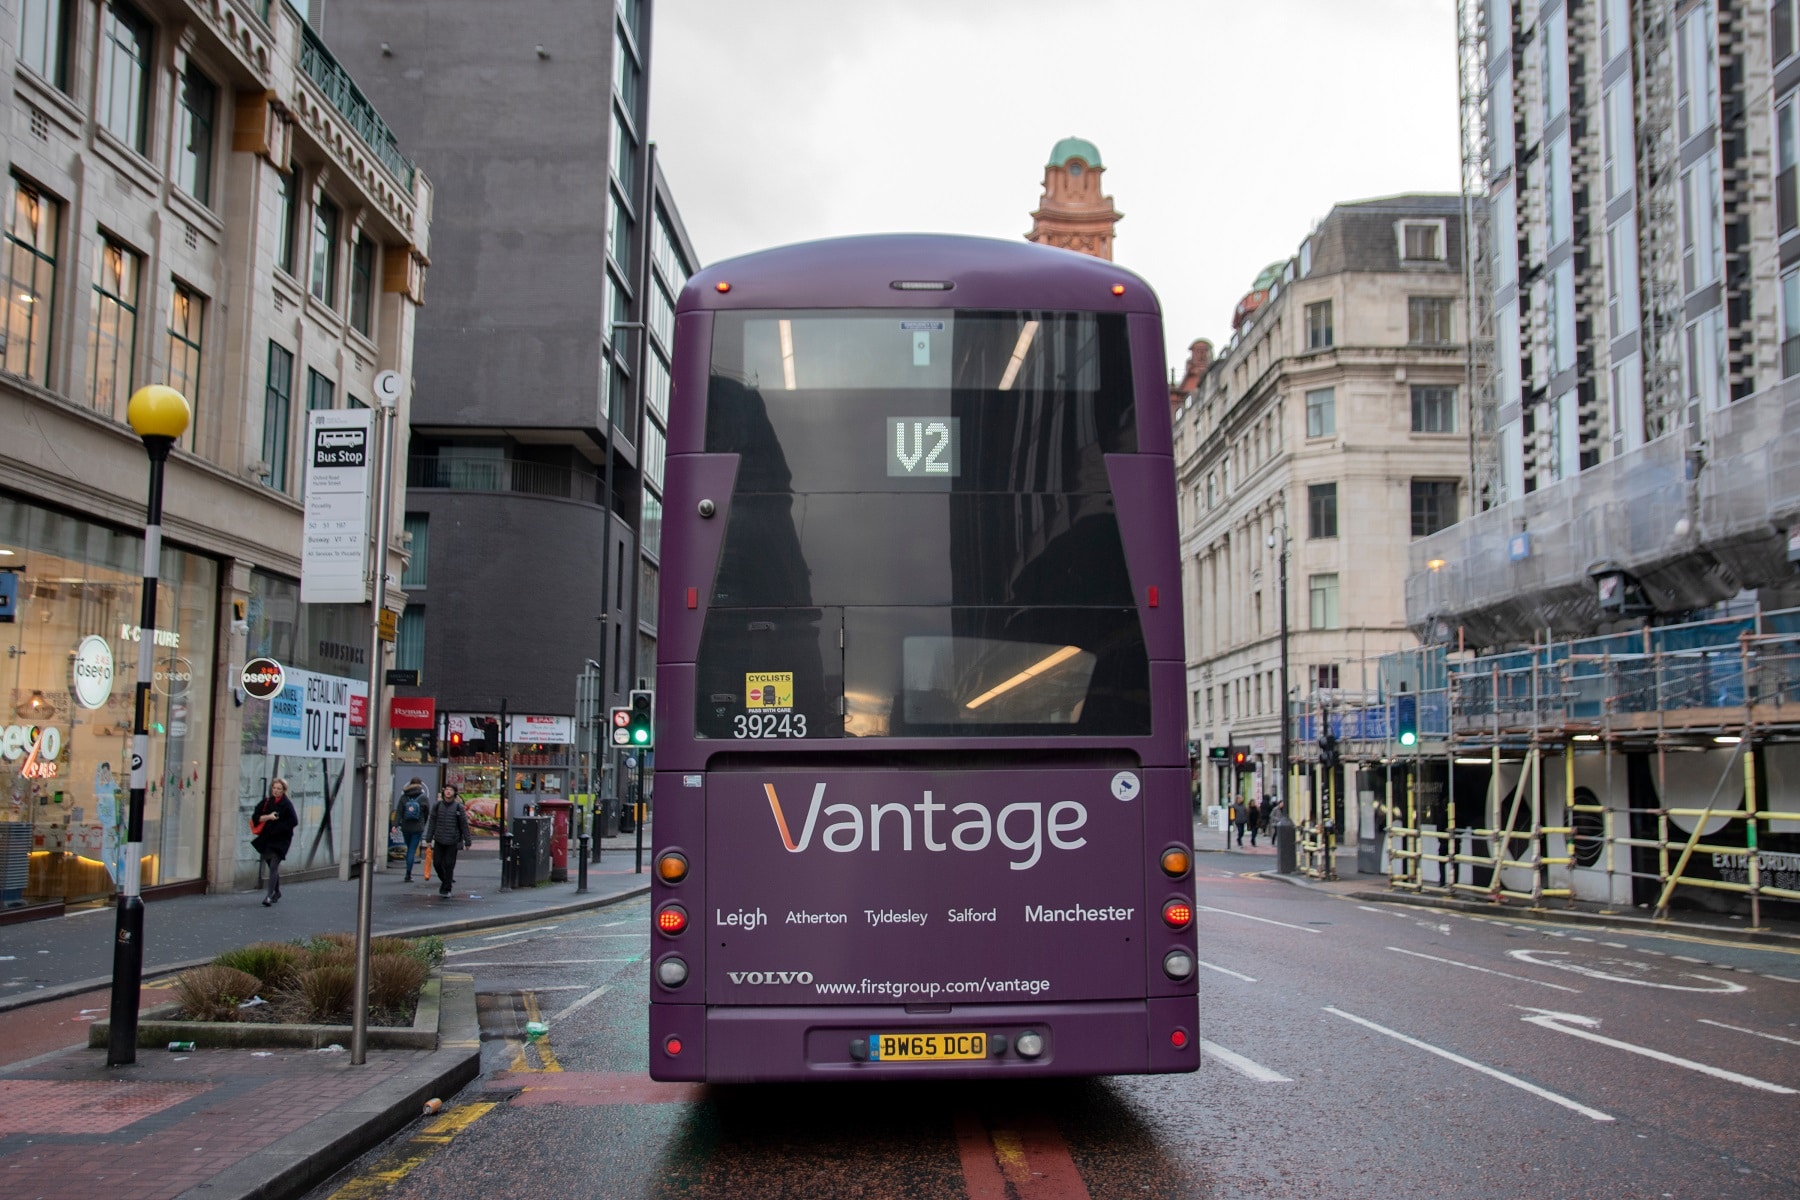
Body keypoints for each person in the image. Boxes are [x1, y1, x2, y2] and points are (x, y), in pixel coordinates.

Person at [250, 778, 299, 907]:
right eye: (274, 788)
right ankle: (277, 892)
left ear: (283, 791)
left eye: (279, 789)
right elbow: (255, 817)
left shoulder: (287, 804)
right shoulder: (267, 802)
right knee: (270, 864)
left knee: (273, 866)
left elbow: (294, 821)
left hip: (282, 840)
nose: (276, 791)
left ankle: (269, 896)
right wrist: (269, 817)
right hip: (268, 838)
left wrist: (279, 826)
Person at [424, 782, 473, 898]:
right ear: (443, 792)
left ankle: (446, 888)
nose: (448, 791)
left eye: (451, 790)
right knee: (437, 863)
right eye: (446, 789)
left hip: (452, 840)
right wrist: (429, 838)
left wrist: (467, 841)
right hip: (439, 839)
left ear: (454, 793)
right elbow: (432, 822)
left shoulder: (458, 807)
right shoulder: (437, 806)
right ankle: (445, 880)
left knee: (449, 864)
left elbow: (464, 825)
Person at [394, 776, 429, 882]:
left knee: (408, 848)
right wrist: (423, 823)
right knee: (412, 850)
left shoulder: (404, 797)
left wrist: (395, 825)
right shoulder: (423, 797)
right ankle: (408, 874)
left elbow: (399, 811)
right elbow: (427, 812)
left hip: (406, 826)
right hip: (418, 827)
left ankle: (408, 872)